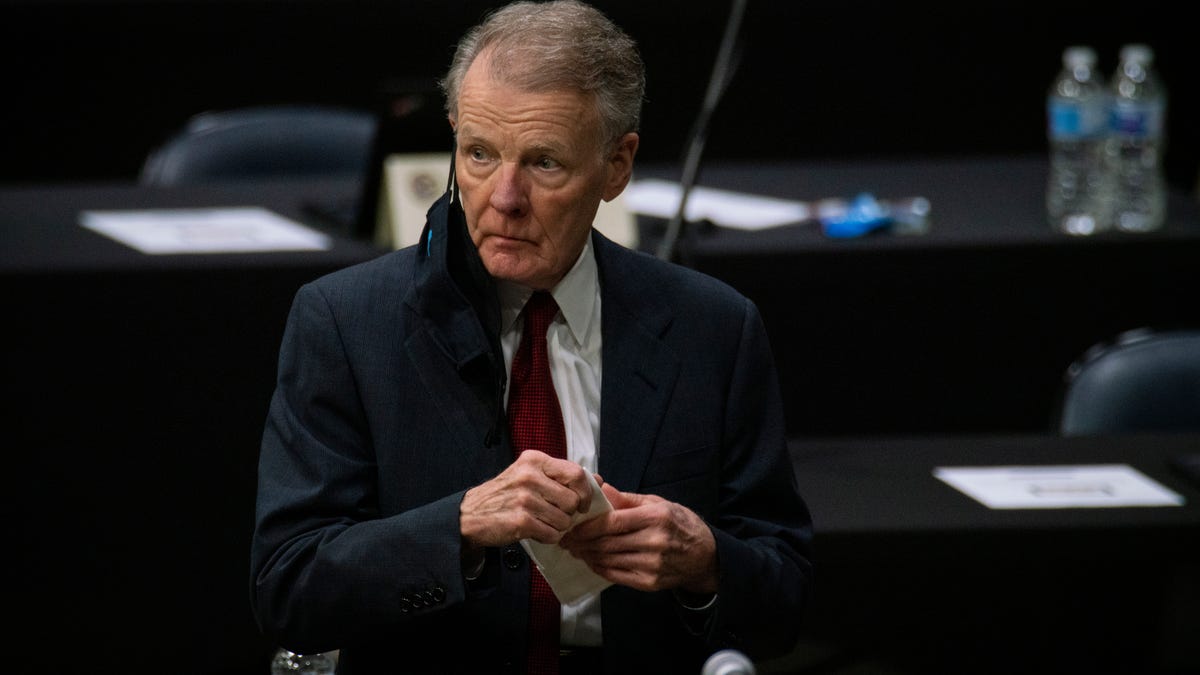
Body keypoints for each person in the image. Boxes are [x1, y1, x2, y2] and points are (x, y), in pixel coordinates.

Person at [250, 1, 813, 673]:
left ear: (617, 165)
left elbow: (788, 593)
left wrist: (705, 561)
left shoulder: (713, 329)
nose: (504, 197)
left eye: (544, 163)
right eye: (480, 155)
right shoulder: (345, 323)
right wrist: (459, 524)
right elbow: (288, 587)